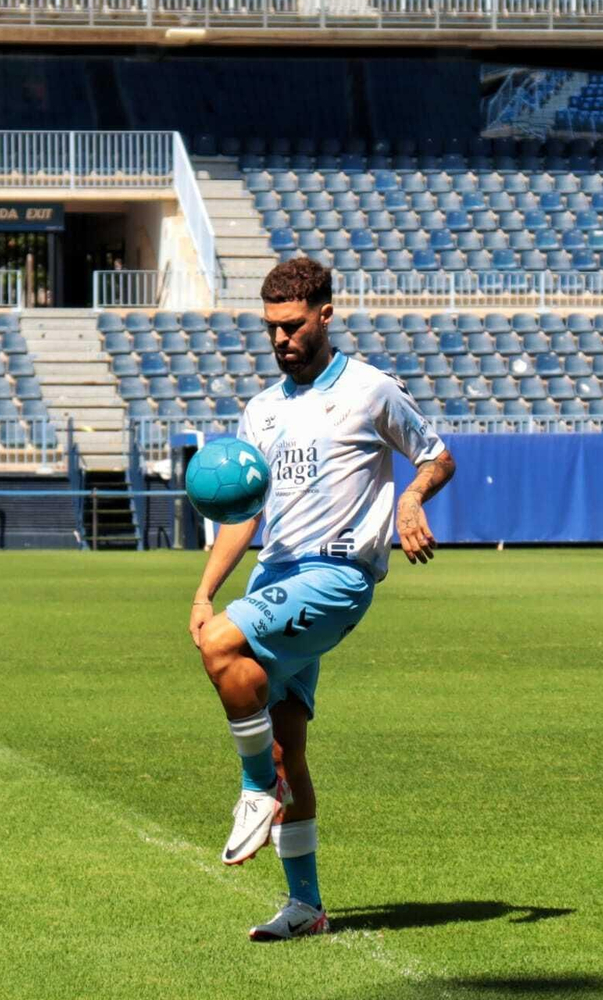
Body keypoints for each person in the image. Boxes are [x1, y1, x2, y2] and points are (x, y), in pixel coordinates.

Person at [187, 257, 456, 941]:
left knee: (221, 645)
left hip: (338, 577)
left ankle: (253, 793)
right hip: (274, 577)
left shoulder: (370, 390)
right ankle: (305, 906)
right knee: (285, 749)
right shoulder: (263, 409)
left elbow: (436, 455)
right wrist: (205, 589)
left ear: (325, 316)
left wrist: (411, 500)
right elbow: (245, 514)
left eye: (294, 325)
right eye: (272, 328)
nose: (282, 339)